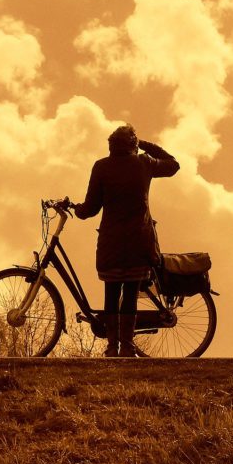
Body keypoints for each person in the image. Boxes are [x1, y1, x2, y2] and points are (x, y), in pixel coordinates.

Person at [72, 125, 180, 357]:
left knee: (111, 292)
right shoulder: (144, 164)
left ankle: (112, 346)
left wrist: (77, 210)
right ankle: (128, 347)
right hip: (138, 241)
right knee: (130, 294)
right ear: (133, 144)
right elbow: (173, 165)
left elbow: (91, 208)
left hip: (111, 242)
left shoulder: (101, 167)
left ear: (111, 145)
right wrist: (146, 144)